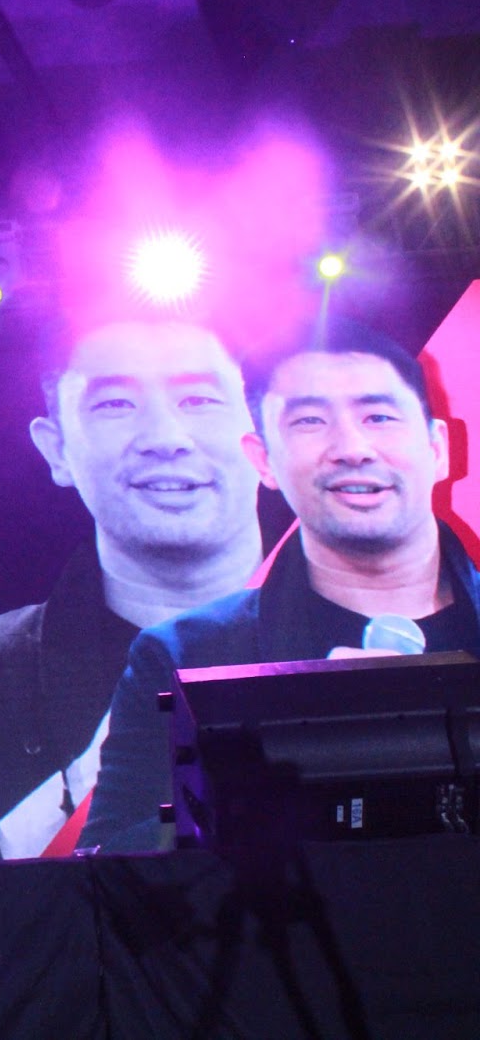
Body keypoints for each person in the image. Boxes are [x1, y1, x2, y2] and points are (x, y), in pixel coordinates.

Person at [0, 319, 265, 867]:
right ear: (56, 450)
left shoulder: (364, 639)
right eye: (115, 405)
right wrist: (75, 793)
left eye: (198, 400)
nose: (165, 438)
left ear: (264, 436)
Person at [81, 324, 480, 852]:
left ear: (438, 448)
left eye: (378, 417)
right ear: (263, 460)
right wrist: (285, 773)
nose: (352, 448)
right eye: (310, 421)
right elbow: (101, 875)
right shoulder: (183, 655)